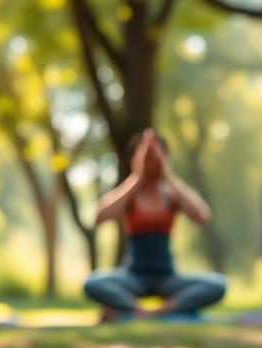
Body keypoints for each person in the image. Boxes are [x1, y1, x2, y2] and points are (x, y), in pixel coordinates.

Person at [84, 128, 227, 321]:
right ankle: (136, 309)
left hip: (167, 276)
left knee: (218, 285)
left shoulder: (171, 195)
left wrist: (167, 174)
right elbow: (100, 215)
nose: (151, 162)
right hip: (133, 275)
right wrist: (137, 176)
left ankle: (163, 310)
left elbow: (202, 215)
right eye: (146, 156)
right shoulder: (130, 195)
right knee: (93, 283)